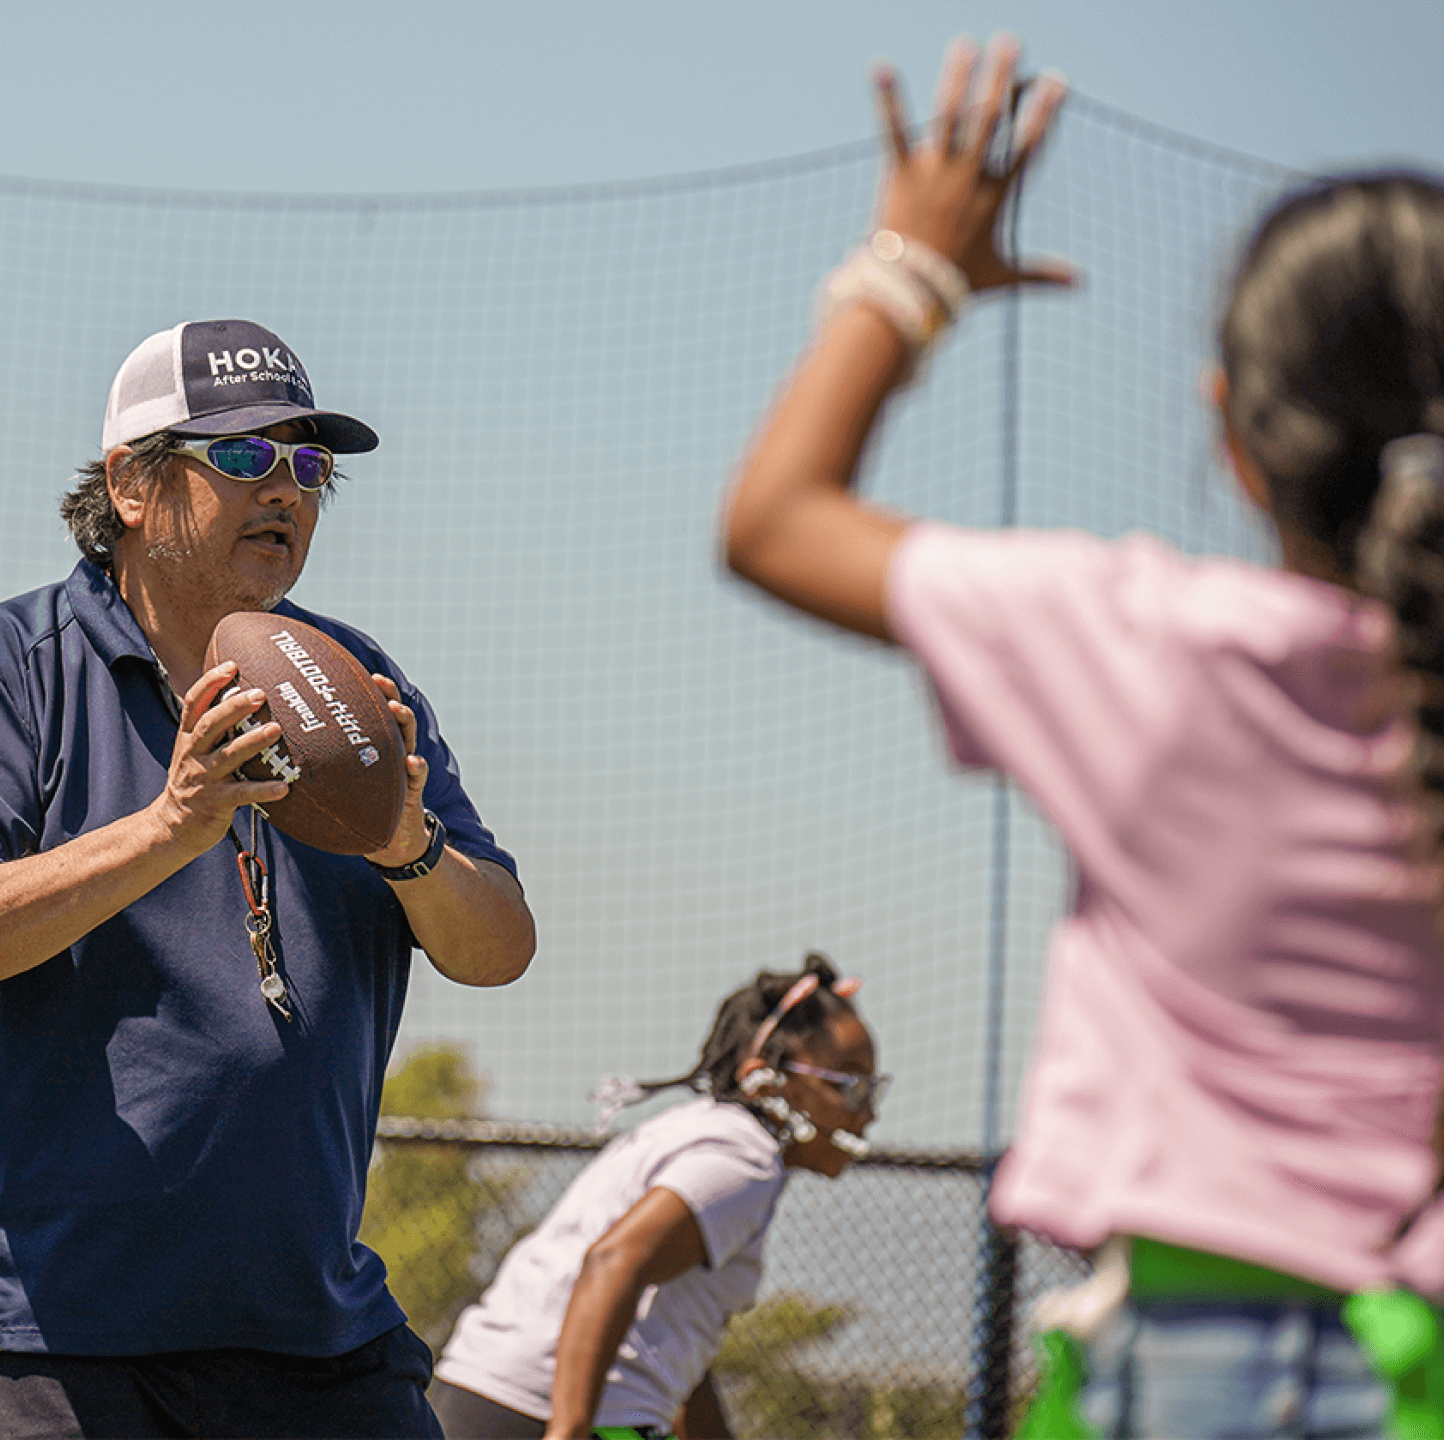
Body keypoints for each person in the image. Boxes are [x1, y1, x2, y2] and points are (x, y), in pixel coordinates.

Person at [722, 34, 1444, 1440]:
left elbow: (777, 520)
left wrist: (910, 269)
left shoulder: (1158, 647)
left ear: (1233, 435)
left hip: (1206, 1361)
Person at [0, 318, 536, 1439]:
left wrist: (406, 843)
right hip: (56, 1344)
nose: (286, 488)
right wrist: (172, 825)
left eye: (309, 463)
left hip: (317, 1338)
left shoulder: (359, 685)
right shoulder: (24, 670)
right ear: (131, 486)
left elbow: (498, 950)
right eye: (242, 455)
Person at [429, 952, 886, 1439]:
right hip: (544, 1414)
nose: (868, 1112)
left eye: (873, 1088)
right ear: (763, 1077)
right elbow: (612, 1263)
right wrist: (568, 1429)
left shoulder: (701, 1134)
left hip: (483, 1395)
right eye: (850, 1084)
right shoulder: (740, 1160)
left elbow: (670, 1351)